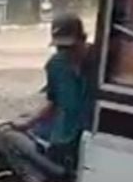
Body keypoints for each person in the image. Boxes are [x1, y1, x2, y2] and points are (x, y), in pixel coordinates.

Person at [15, 12, 94, 170]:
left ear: (82, 39)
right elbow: (53, 101)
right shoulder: (56, 65)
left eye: (70, 47)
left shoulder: (100, 61)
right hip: (64, 135)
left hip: (91, 136)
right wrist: (29, 122)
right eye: (60, 47)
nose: (65, 52)